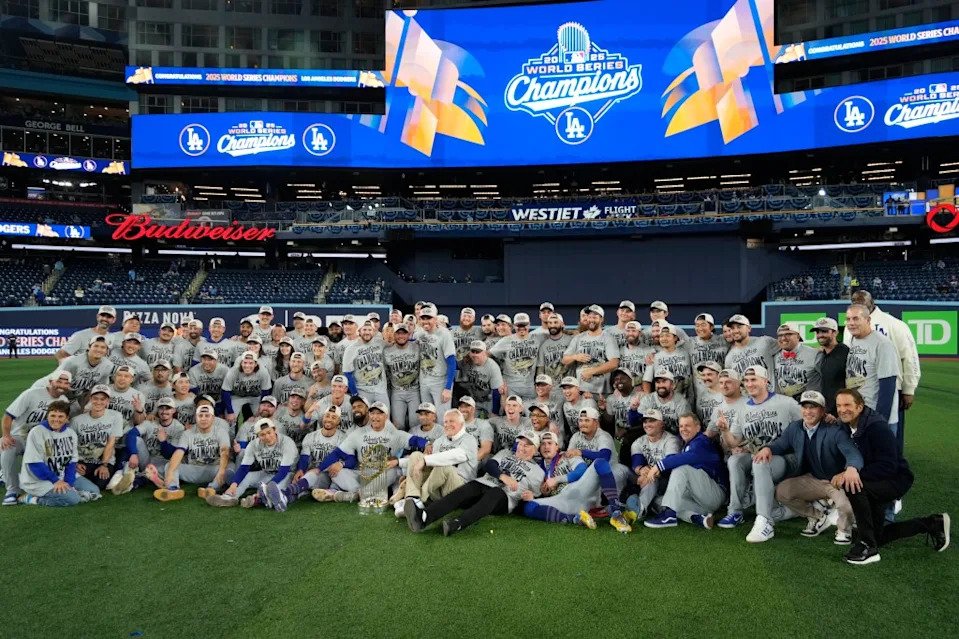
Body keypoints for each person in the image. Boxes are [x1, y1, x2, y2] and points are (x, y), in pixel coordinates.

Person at [835, 389, 950, 564]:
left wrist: (852, 473)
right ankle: (932, 523)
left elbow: (888, 466)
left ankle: (868, 547)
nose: (842, 409)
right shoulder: (846, 423)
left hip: (895, 479)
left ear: (859, 407)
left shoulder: (877, 427)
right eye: (839, 405)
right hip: (876, 478)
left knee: (852, 485)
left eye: (847, 405)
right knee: (878, 536)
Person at [752, 391, 863, 544]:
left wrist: (851, 468)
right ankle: (818, 516)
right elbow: (781, 444)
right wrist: (768, 449)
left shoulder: (834, 430)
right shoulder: (795, 427)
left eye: (813, 407)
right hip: (813, 479)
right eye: (805, 407)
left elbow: (853, 453)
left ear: (823, 411)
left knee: (847, 507)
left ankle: (845, 529)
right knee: (782, 491)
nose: (808, 411)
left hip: (835, 481)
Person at [716, 365, 802, 539]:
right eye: (746, 380)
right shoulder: (743, 409)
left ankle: (765, 521)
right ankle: (736, 511)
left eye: (753, 379)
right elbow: (734, 442)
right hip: (759, 457)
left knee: (759, 461)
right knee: (735, 461)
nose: (749, 384)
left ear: (766, 380)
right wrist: (725, 431)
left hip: (785, 458)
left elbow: (808, 421)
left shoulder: (786, 402)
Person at [404, 431, 545, 536]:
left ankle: (458, 523)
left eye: (527, 445)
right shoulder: (506, 453)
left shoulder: (538, 472)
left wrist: (531, 497)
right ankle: (424, 517)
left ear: (536, 449)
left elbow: (537, 497)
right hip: (484, 484)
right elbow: (490, 465)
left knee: (496, 492)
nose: (521, 447)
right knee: (469, 487)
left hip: (504, 499)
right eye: (520, 443)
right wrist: (503, 476)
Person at [846, 290, 921, 454]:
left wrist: (909, 389)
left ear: (871, 303)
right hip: (858, 391)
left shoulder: (894, 324)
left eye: (862, 301)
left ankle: (895, 466)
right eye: (854, 301)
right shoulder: (849, 330)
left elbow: (909, 356)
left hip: (889, 387)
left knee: (888, 435)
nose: (858, 303)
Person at [644, 413, 727, 529]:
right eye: (681, 426)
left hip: (715, 493)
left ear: (698, 428)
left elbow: (688, 457)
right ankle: (697, 518)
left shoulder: (702, 441)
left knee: (681, 468)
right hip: (700, 501)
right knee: (661, 501)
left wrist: (659, 466)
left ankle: (669, 516)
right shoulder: (687, 443)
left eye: (687, 426)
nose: (683, 429)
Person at [2, 371, 73, 505]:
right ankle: (12, 490)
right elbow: (8, 415)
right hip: (22, 437)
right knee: (7, 446)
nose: (62, 385)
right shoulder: (31, 394)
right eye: (59, 381)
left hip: (45, 441)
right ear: (51, 382)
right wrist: (6, 436)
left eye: (66, 383)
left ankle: (43, 483)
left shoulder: (64, 401)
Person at [16, 401, 101, 507]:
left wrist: (68, 483)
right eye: (53, 415)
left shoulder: (70, 433)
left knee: (94, 491)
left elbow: (72, 461)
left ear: (67, 418)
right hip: (40, 479)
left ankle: (69, 492)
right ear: (47, 416)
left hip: (61, 474)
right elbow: (35, 464)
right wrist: (56, 481)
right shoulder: (37, 432)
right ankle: (31, 498)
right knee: (73, 499)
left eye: (61, 416)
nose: (56, 419)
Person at [394, 408, 479, 514]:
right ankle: (412, 498)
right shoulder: (440, 440)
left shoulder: (469, 439)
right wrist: (398, 462)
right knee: (416, 455)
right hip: (438, 490)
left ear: (461, 424)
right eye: (445, 422)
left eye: (451, 421)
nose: (447, 424)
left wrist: (424, 460)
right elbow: (427, 459)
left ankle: (420, 500)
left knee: (444, 465)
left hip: (460, 489)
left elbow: (457, 455)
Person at [206, 417, 298, 508]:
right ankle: (230, 497)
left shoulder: (287, 443)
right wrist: (234, 485)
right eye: (262, 434)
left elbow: (283, 471)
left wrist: (265, 488)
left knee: (273, 490)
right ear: (258, 435)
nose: (267, 437)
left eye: (269, 432)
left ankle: (256, 500)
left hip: (287, 475)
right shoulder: (254, 444)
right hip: (267, 472)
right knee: (248, 476)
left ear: (275, 430)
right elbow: (244, 467)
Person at [152, 404, 232, 502]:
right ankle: (173, 489)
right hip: (193, 469)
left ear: (213, 418)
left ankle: (211, 489)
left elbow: (225, 453)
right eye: (200, 416)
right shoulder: (188, 433)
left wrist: (221, 471)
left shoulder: (221, 432)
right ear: (196, 417)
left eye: (207, 416)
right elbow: (178, 453)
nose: (203, 419)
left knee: (228, 470)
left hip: (213, 470)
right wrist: (169, 473)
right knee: (170, 465)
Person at [844, 304, 900, 434]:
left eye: (856, 318)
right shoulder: (853, 339)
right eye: (848, 319)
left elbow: (888, 386)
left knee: (881, 454)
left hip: (873, 416)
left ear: (868, 320)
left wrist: (879, 421)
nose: (851, 323)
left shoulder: (882, 344)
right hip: (858, 413)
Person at [626, 409, 682, 518]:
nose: (647, 424)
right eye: (645, 422)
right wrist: (641, 470)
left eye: (652, 421)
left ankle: (639, 509)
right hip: (646, 481)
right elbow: (637, 462)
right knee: (624, 471)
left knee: (652, 479)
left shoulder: (671, 440)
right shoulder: (639, 442)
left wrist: (652, 473)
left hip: (669, 482)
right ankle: (647, 505)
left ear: (662, 424)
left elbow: (670, 465)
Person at [70, 385, 124, 491]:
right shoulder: (76, 420)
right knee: (77, 482)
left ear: (108, 400)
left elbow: (111, 443)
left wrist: (104, 465)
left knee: (100, 485)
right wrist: (75, 463)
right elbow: (71, 445)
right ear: (90, 399)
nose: (98, 402)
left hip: (103, 461)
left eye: (103, 399)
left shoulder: (116, 416)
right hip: (82, 460)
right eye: (95, 398)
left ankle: (120, 472)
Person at [561, 304, 620, 395]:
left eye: (595, 317)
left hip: (602, 392)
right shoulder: (578, 338)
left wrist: (592, 371)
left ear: (601, 319)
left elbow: (614, 363)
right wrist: (575, 357)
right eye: (589, 317)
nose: (591, 320)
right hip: (581, 391)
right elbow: (564, 360)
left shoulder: (608, 338)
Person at [415, 304, 458, 415]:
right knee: (427, 416)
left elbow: (452, 362)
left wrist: (448, 387)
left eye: (428, 318)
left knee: (442, 418)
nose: (425, 321)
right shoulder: (419, 334)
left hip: (440, 382)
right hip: (424, 381)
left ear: (435, 319)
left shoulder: (444, 334)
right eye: (422, 318)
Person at [489, 312, 539, 402]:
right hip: (510, 387)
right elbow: (488, 355)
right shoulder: (505, 340)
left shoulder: (537, 338)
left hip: (530, 387)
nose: (521, 328)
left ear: (529, 324)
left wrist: (570, 332)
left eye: (524, 325)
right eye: (518, 325)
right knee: (510, 412)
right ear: (514, 326)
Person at [342, 321, 389, 410]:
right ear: (359, 331)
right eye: (364, 329)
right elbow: (347, 373)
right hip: (362, 391)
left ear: (374, 331)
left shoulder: (381, 343)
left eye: (370, 330)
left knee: (385, 418)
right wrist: (355, 394)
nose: (367, 332)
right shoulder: (350, 349)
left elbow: (395, 344)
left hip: (381, 390)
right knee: (364, 420)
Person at [723, 314, 780, 387]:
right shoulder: (729, 358)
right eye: (732, 328)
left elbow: (788, 346)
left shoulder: (765, 342)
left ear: (749, 328)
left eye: (739, 327)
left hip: (770, 394)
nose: (735, 331)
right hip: (747, 397)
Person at [384, 324, 420, 430]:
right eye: (398, 333)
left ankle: (415, 446)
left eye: (404, 333)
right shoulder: (387, 351)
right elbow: (386, 373)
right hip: (397, 392)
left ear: (408, 334)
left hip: (414, 391)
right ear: (394, 335)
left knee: (415, 423)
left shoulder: (417, 347)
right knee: (398, 425)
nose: (401, 336)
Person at [774, 323, 821, 401]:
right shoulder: (775, 355)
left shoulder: (814, 354)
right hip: (784, 403)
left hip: (808, 404)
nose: (783, 338)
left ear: (798, 336)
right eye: (780, 335)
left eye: (788, 334)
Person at [637, 369, 692, 435]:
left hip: (674, 437)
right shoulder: (648, 399)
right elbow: (635, 422)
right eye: (658, 382)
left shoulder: (681, 402)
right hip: (652, 437)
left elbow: (686, 428)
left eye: (664, 381)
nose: (660, 385)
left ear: (672, 384)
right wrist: (633, 410)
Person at [812, 317, 848, 416]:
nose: (820, 335)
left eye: (824, 331)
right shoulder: (821, 354)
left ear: (835, 333)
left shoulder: (845, 352)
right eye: (818, 332)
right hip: (826, 412)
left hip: (841, 413)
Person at [459, 340, 504, 417]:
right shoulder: (465, 362)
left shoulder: (492, 366)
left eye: (478, 352)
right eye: (473, 351)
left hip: (490, 401)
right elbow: (458, 380)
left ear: (485, 353)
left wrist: (495, 411)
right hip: (473, 399)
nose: (475, 355)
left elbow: (496, 391)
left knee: (492, 422)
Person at [458, 396, 494, 463]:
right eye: (461, 407)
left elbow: (485, 449)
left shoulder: (483, 424)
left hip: (475, 459)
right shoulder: (454, 425)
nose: (463, 409)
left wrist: (468, 463)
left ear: (474, 409)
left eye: (467, 406)